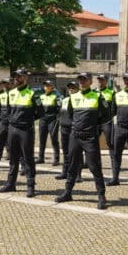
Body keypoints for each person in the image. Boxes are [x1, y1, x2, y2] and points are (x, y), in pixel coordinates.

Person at [55, 72, 110, 210]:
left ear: (90, 81)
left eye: (85, 79)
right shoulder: (73, 97)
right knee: (72, 165)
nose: (82, 82)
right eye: (80, 80)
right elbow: (70, 115)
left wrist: (96, 129)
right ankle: (68, 192)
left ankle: (101, 196)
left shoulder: (97, 96)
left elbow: (106, 116)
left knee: (94, 166)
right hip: (75, 135)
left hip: (90, 137)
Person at [0, 68, 42, 197]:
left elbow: (40, 112)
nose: (17, 78)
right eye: (16, 77)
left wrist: (27, 121)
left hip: (26, 130)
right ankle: (11, 184)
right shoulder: (10, 93)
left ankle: (30, 186)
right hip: (13, 129)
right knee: (13, 158)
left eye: (20, 76)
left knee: (28, 158)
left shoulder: (33, 94)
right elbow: (7, 111)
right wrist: (12, 122)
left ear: (26, 78)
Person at [55, 81, 80, 182]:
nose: (71, 90)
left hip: (74, 129)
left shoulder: (79, 100)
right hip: (64, 128)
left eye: (73, 88)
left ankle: (78, 174)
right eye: (69, 88)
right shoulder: (64, 100)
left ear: (77, 89)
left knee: (76, 152)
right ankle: (65, 172)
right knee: (65, 152)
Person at [37, 80, 61, 166]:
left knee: (54, 139)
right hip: (43, 120)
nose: (46, 87)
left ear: (52, 87)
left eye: (48, 86)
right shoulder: (41, 96)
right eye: (45, 86)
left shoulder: (56, 96)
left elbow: (59, 108)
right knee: (42, 139)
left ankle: (56, 159)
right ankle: (40, 157)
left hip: (52, 120)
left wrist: (58, 119)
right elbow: (38, 108)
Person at [96, 74, 115, 169]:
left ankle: (114, 164)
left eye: (102, 80)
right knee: (92, 142)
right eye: (99, 80)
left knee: (110, 143)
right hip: (96, 122)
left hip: (106, 121)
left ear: (106, 81)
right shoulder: (94, 92)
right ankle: (91, 162)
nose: (100, 82)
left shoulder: (111, 92)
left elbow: (114, 108)